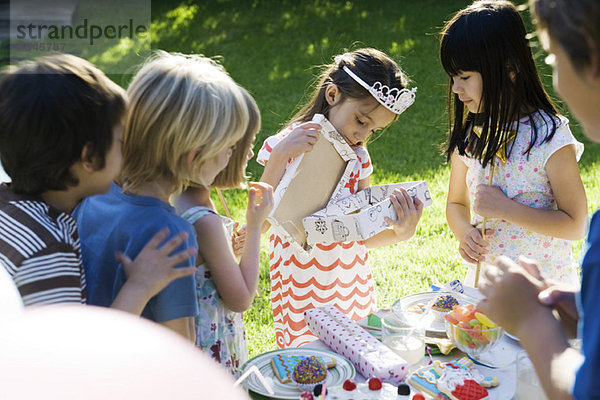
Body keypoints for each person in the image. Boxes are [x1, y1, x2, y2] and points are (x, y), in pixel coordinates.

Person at [0, 54, 196, 315]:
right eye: (120, 142)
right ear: (89, 158)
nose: (129, 152)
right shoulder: (49, 249)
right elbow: (68, 352)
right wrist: (140, 285)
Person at [74, 52, 251, 340]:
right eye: (229, 145)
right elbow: (181, 344)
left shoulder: (96, 195)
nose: (231, 154)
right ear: (195, 156)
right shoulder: (171, 235)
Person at [258, 48, 423, 348]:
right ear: (332, 95)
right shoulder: (290, 145)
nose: (363, 136)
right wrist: (279, 158)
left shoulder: (358, 158)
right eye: (361, 121)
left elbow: (360, 234)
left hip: (350, 280)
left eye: (373, 130)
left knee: (357, 358)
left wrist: (401, 232)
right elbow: (260, 225)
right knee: (310, 363)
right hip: (300, 284)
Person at [478, 0, 600, 398]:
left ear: (590, 54)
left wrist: (532, 319)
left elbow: (584, 389)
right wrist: (584, 306)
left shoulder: (550, 137)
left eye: (552, 55)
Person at [441, 0, 587, 287]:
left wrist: (506, 209)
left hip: (543, 292)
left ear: (509, 68)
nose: (456, 88)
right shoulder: (472, 135)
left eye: (465, 77)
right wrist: (464, 233)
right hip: (487, 290)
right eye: (453, 78)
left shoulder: (550, 136)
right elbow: (457, 202)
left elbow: (575, 223)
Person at [174, 88, 274, 375]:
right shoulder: (205, 220)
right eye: (242, 145)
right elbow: (241, 299)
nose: (251, 152)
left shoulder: (183, 198)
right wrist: (255, 226)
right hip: (211, 353)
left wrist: (229, 252)